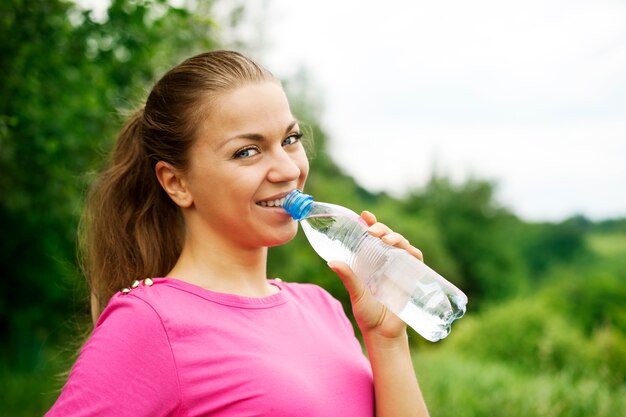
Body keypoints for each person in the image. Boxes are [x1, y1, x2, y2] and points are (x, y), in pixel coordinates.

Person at [46, 50, 430, 417]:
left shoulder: (322, 308)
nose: (287, 170)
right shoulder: (150, 322)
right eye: (247, 151)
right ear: (176, 182)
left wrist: (386, 340)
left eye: (290, 140)